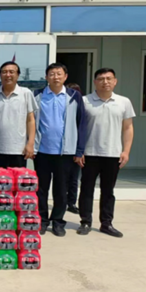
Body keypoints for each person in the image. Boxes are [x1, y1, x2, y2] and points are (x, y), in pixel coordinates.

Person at [78, 68, 135, 238]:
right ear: (95, 82)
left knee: (108, 191)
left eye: (109, 78)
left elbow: (128, 128)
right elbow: (77, 127)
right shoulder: (85, 101)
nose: (105, 82)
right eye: (101, 79)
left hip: (113, 153)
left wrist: (126, 151)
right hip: (89, 153)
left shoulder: (123, 102)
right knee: (86, 189)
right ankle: (85, 221)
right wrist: (79, 150)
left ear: (115, 81)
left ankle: (106, 223)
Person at [33, 63, 86, 237]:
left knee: (61, 189)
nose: (55, 77)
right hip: (42, 150)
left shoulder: (74, 96)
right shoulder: (38, 95)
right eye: (52, 74)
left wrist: (79, 150)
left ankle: (57, 221)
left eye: (59, 74)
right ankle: (42, 220)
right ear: (46, 77)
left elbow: (81, 123)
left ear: (65, 76)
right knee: (41, 189)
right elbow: (31, 121)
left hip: (65, 152)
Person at [0, 62, 37, 168]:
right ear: (0, 75)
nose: (8, 75)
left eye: (11, 72)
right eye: (4, 72)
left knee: (17, 178)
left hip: (19, 150)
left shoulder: (26, 93)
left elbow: (30, 120)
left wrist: (30, 144)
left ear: (18, 75)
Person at [65, 82, 83, 214]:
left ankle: (71, 202)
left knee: (73, 178)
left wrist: (80, 150)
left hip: (76, 148)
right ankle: (62, 201)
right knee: (63, 178)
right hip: (64, 147)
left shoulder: (80, 104)